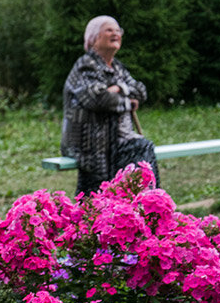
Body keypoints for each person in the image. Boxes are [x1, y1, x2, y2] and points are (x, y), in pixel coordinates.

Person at [60, 15, 160, 194]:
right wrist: (126, 100)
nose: (116, 33)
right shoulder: (86, 65)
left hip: (115, 143)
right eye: (109, 30)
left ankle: (147, 209)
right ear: (94, 38)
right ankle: (148, 208)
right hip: (91, 146)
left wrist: (117, 88)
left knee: (141, 155)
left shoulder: (117, 68)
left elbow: (140, 91)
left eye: (118, 30)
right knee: (141, 152)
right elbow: (98, 99)